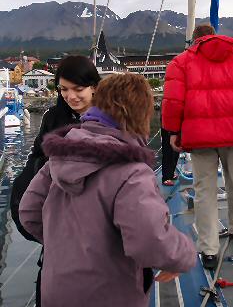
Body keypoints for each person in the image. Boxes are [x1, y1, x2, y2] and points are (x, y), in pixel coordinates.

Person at [19, 74, 196, 307]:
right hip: (112, 294)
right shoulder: (131, 173)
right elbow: (149, 238)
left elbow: (29, 211)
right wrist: (184, 256)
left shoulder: (58, 158)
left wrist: (67, 246)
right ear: (140, 115)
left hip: (56, 292)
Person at [162, 24, 233, 269]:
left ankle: (209, 249)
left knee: (204, 190)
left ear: (196, 40)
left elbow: (173, 101)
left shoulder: (180, 62)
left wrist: (173, 132)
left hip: (200, 137)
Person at [10, 55, 100, 306]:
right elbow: (37, 155)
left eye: (78, 89)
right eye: (64, 89)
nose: (71, 96)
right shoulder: (53, 118)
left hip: (97, 226)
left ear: (94, 86)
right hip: (59, 222)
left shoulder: (114, 119)